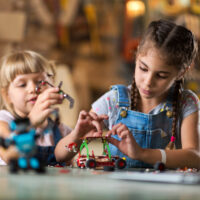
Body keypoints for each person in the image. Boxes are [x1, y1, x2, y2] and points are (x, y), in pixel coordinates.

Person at [55, 19, 200, 169]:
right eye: (143, 69)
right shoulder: (113, 100)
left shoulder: (186, 102)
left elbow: (195, 157)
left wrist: (142, 153)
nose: (148, 81)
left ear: (182, 72)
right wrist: (77, 136)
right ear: (136, 57)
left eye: (161, 76)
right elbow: (60, 156)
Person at [0, 50, 106, 166]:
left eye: (40, 81)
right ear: (6, 95)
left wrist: (78, 137)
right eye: (22, 84)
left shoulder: (62, 131)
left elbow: (69, 161)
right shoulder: (4, 121)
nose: (33, 89)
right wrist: (31, 122)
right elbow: (9, 153)